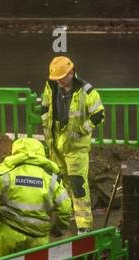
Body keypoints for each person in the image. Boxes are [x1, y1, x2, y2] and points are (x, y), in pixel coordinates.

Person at [39, 55, 104, 230]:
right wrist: (47, 131)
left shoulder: (86, 91)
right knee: (61, 183)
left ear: (71, 72)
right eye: (56, 78)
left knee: (77, 185)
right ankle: (66, 216)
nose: (59, 82)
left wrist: (81, 130)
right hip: (56, 143)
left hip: (75, 147)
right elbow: (45, 108)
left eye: (61, 78)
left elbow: (99, 114)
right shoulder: (51, 85)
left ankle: (83, 226)